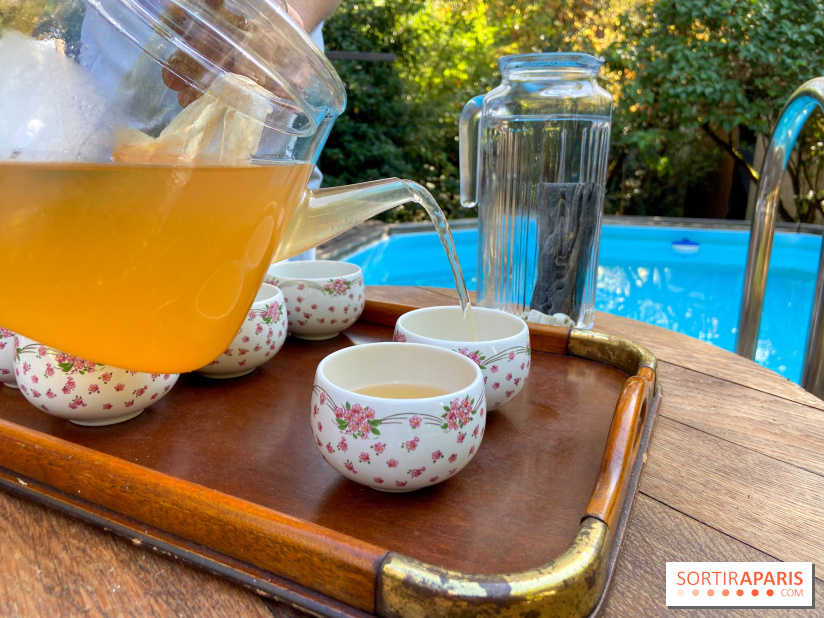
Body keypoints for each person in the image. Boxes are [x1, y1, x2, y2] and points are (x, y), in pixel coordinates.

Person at [79, 0, 342, 260]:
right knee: (97, 244)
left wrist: (282, 29)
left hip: (272, 65)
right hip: (129, 28)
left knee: (249, 257)